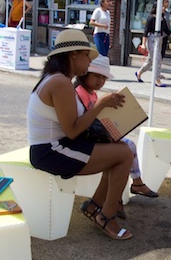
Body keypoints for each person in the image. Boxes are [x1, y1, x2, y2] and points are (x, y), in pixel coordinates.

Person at [28, 29, 134, 240]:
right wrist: (101, 105)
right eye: (87, 55)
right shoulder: (60, 83)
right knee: (124, 155)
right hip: (51, 151)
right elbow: (73, 129)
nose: (89, 62)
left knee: (121, 150)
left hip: (57, 146)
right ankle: (106, 216)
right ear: (73, 54)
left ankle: (95, 206)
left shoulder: (57, 79)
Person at [75, 55, 159, 200]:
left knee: (127, 146)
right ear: (85, 74)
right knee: (127, 147)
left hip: (94, 136)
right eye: (96, 76)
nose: (100, 81)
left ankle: (127, 190)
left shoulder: (92, 94)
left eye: (104, 78)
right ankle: (133, 185)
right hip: (87, 139)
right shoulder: (80, 92)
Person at [135, 2, 171, 87]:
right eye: (162, 7)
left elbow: (167, 31)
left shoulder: (162, 19)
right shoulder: (151, 18)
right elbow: (145, 32)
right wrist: (143, 44)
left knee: (150, 61)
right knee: (157, 59)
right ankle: (157, 79)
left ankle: (139, 73)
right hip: (152, 40)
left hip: (159, 40)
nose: (164, 8)